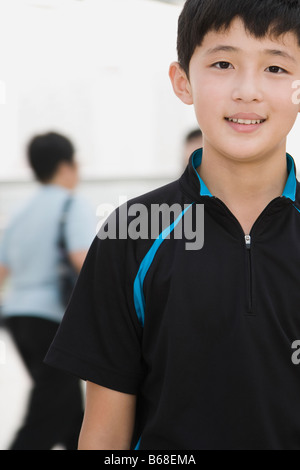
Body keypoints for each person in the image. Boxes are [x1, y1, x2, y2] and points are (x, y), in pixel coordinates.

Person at [45, 0, 300, 450]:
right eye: (223, 63)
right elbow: (104, 434)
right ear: (182, 81)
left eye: (276, 68)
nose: (248, 90)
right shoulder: (132, 231)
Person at [0, 131, 95, 450]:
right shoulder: (71, 204)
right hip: (53, 321)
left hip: (19, 320)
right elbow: (83, 260)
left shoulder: (20, 213)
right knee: (49, 410)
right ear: (67, 165)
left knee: (66, 409)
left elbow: (1, 271)